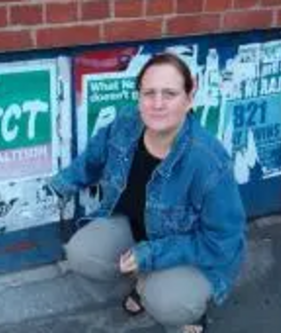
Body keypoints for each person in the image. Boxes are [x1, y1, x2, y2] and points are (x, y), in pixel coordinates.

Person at [49, 52, 246, 333]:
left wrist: (151, 254)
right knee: (82, 253)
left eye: (170, 93)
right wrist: (65, 181)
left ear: (189, 98)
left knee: (169, 303)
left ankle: (186, 310)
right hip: (135, 230)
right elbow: (94, 156)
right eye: (149, 93)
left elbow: (222, 242)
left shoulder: (208, 162)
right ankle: (144, 280)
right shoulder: (127, 123)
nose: (157, 104)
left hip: (189, 250)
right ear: (139, 97)